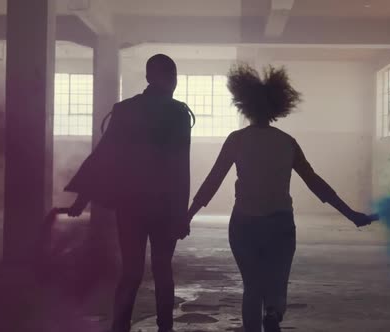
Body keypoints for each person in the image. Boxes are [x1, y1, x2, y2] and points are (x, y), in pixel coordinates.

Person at [185, 64, 374, 332]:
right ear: (277, 107)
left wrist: (188, 215)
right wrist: (350, 214)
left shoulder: (236, 140)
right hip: (280, 225)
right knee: (275, 285)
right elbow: (315, 182)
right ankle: (273, 312)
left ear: (244, 105)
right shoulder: (287, 142)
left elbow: (212, 181)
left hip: (244, 224)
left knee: (252, 288)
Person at [65, 54, 193, 332]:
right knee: (162, 270)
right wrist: (181, 214)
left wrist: (82, 197)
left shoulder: (125, 110)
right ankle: (165, 328)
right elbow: (181, 168)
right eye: (172, 76)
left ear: (149, 78)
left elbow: (104, 156)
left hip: (131, 206)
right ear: (170, 79)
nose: (173, 81)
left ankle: (120, 326)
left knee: (131, 271)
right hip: (165, 206)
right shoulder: (179, 114)